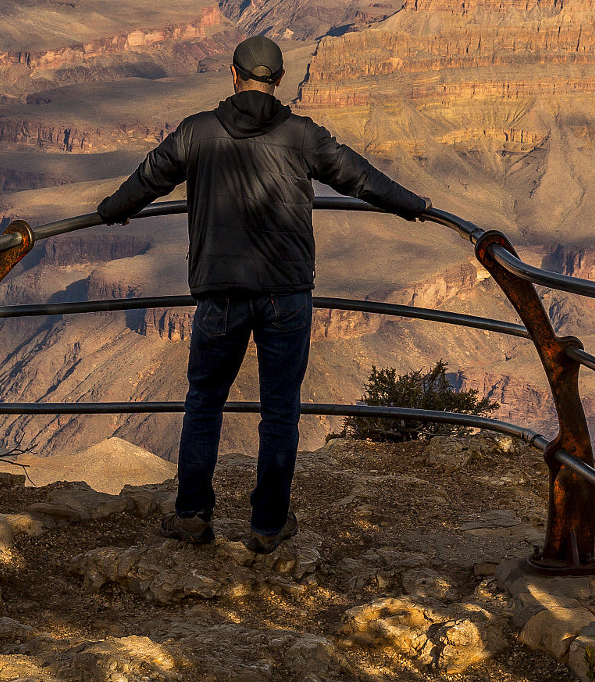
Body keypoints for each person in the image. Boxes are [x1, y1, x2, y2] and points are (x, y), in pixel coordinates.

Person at [97, 35, 429, 554]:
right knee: (280, 409)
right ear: (278, 80)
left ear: (233, 75)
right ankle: (269, 525)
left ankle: (191, 517)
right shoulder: (302, 136)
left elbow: (147, 178)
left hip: (220, 293)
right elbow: (360, 178)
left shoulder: (196, 132)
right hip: (286, 294)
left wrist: (111, 210)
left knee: (204, 403)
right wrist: (415, 205)